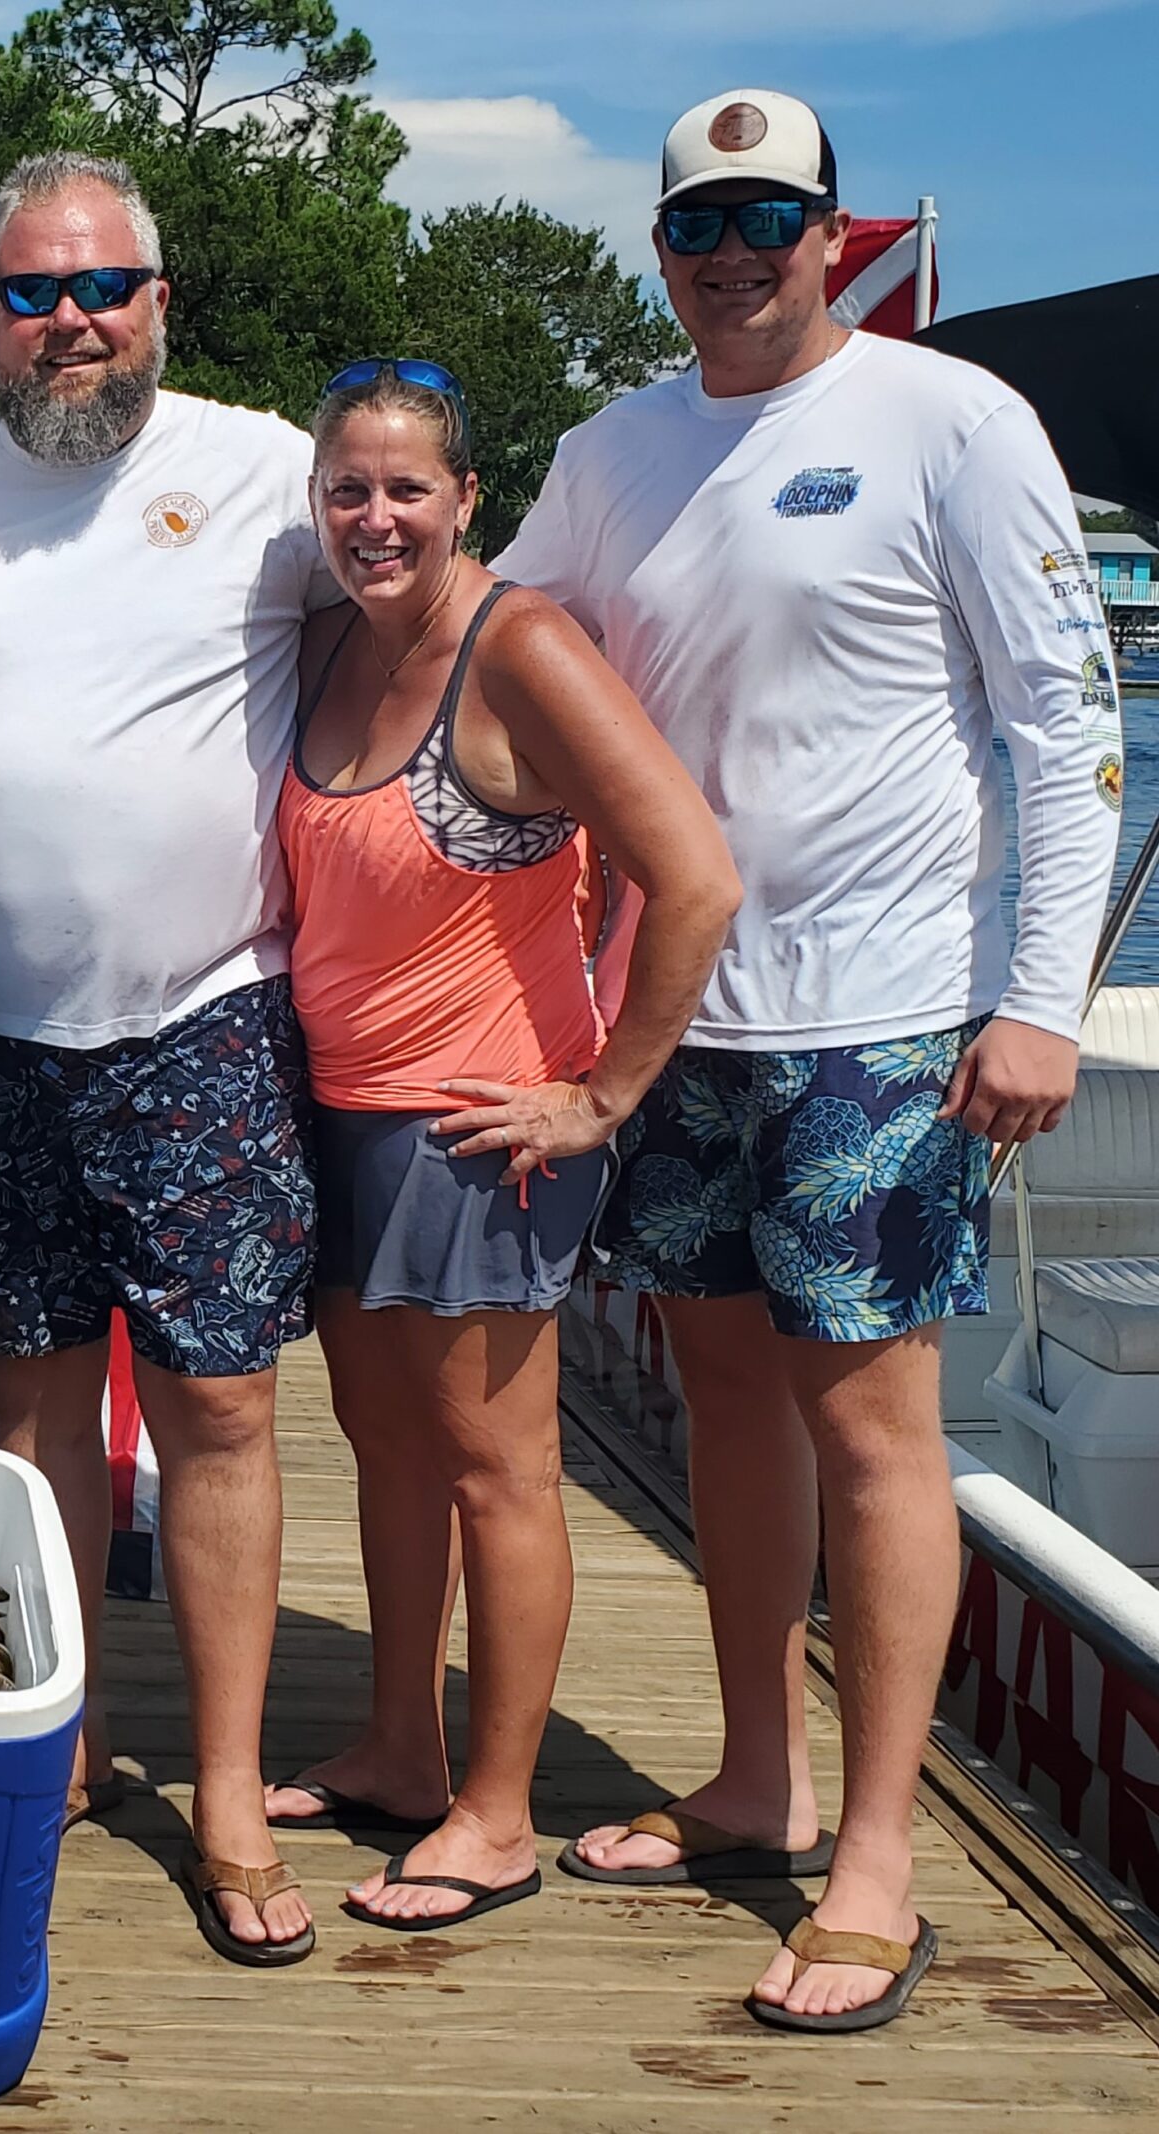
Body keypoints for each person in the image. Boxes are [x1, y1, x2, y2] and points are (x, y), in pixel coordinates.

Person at [497, 89, 1122, 2030]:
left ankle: (877, 1853)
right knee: (723, 1403)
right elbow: (488, 639)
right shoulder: (607, 451)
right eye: (698, 223)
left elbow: (1067, 720)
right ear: (658, 249)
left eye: (769, 217)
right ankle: (756, 1774)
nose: (733, 254)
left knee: (874, 1427)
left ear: (832, 236)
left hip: (887, 1013)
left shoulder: (952, 420)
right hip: (675, 1015)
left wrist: (1039, 998)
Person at [0, 153, 324, 1966]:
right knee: (31, 1407)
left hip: (209, 1021)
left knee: (221, 1406)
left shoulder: (270, 471)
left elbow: (435, 636)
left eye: (100, 287)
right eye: (29, 292)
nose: (68, 321)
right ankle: (56, 1731)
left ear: (159, 302)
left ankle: (226, 1793)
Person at [264, 359, 738, 1936]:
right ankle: (403, 1747)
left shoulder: (517, 643)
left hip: (480, 1130)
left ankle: (499, 1809)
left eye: (408, 487)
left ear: (468, 498)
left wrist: (602, 1093)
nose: (376, 516)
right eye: (348, 488)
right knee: (388, 1447)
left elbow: (694, 874)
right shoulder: (336, 638)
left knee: (498, 1468)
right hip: (342, 1115)